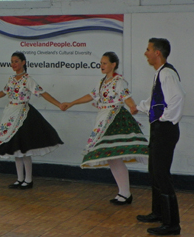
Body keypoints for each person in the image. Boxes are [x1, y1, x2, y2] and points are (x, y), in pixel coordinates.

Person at [60, 52, 149, 204]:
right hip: (103, 118)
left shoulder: (119, 81)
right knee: (112, 158)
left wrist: (132, 106)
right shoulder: (102, 82)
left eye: (105, 63)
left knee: (114, 155)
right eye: (101, 63)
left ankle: (125, 193)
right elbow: (91, 95)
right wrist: (72, 102)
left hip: (114, 118)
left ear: (113, 64)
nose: (101, 66)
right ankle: (124, 193)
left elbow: (125, 96)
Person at [0, 52, 63, 189]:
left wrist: (58, 104)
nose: (13, 64)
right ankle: (19, 179)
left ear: (23, 62)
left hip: (23, 114)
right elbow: (4, 91)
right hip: (10, 113)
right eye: (12, 62)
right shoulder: (11, 79)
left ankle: (28, 179)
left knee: (24, 149)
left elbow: (42, 93)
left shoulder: (27, 79)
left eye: (16, 61)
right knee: (16, 150)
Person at [134, 38, 184, 236]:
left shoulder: (167, 74)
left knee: (162, 175)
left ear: (157, 53)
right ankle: (158, 212)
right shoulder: (160, 73)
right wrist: (137, 107)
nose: (145, 53)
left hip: (165, 129)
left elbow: (178, 98)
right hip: (159, 128)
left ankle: (172, 224)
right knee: (154, 171)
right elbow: (156, 101)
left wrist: (164, 119)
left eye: (148, 50)